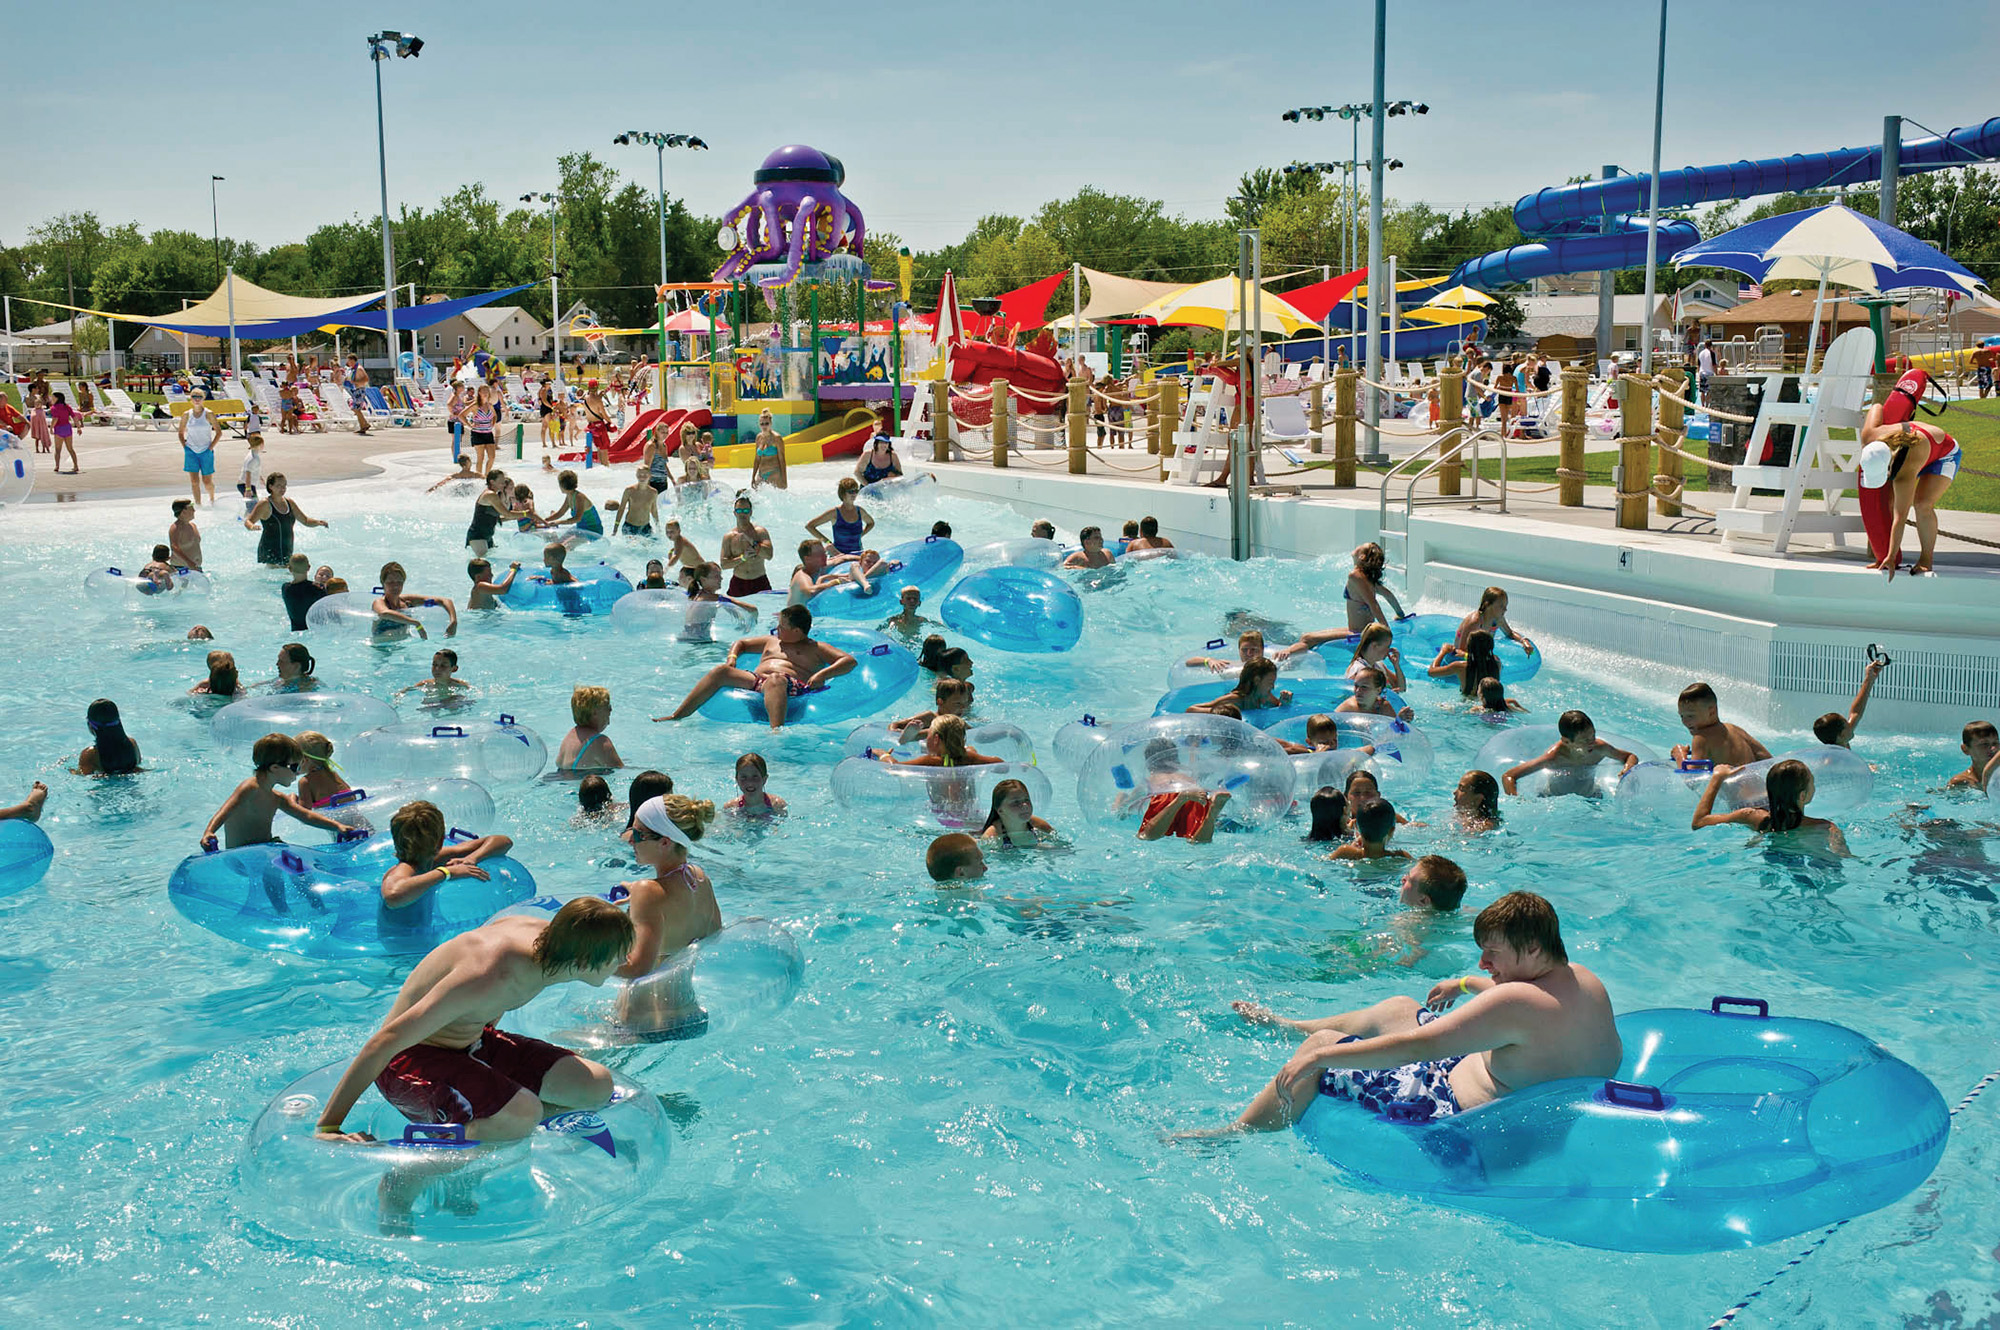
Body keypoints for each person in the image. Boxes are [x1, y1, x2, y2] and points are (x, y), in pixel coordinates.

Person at [307, 897, 633, 1234]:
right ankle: (404, 1180)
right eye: (617, 955)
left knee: (595, 1085)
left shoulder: (543, 939)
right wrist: (329, 1126)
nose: (624, 961)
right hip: (410, 1061)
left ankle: (477, 1147)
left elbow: (492, 1003)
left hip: (472, 1041)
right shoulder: (487, 975)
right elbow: (384, 1042)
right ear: (583, 961)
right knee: (522, 1113)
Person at [1188, 891, 1618, 1137]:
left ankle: (1232, 1135)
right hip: (1529, 1094)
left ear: (1534, 950)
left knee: (1321, 1046)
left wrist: (1321, 1058)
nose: (1484, 964)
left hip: (1452, 1110)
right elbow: (1526, 1006)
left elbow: (1416, 1047)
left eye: (1492, 954)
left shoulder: (1512, 1005)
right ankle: (1287, 1026)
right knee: (1399, 1007)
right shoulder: (1583, 980)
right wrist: (1464, 985)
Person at [654, 604, 858, 730]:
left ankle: (776, 731)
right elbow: (741, 643)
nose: (777, 629)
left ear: (797, 631)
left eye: (782, 627)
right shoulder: (772, 640)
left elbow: (848, 661)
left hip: (791, 687)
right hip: (757, 680)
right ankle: (678, 715)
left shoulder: (816, 648)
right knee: (720, 671)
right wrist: (732, 658)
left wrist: (824, 673)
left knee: (776, 679)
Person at [614, 795, 722, 982]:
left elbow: (637, 968)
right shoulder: (699, 878)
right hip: (687, 1005)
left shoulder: (647, 892)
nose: (631, 840)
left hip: (644, 1009)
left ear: (665, 842)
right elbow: (715, 934)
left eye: (639, 834)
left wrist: (583, 957)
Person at [380, 800, 517, 935]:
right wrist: (447, 872)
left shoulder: (435, 859)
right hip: (403, 953)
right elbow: (393, 896)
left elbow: (503, 841)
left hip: (417, 942)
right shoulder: (404, 869)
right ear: (441, 840)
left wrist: (471, 859)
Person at [200, 732, 356, 850]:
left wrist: (337, 826)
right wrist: (209, 831)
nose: (298, 772)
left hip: (265, 848)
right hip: (242, 854)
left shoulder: (276, 797)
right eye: (295, 767)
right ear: (275, 768)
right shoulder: (249, 788)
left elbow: (306, 815)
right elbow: (225, 811)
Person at [1858, 405, 1961, 577]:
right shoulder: (1870, 436)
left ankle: (1926, 560)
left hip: (1944, 453)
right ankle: (1885, 554)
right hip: (1920, 448)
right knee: (1889, 501)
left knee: (1922, 504)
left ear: (1890, 465)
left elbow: (1900, 517)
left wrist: (1890, 557)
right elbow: (1877, 406)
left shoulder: (1904, 472)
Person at [1692, 759, 1848, 853]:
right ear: (1802, 796)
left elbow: (1699, 822)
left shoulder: (1752, 816)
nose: (1814, 786)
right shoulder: (1825, 828)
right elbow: (1842, 859)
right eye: (1812, 782)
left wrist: (1717, 777)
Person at [1503, 709, 1641, 796]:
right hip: (1555, 797)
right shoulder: (1553, 758)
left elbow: (1630, 756)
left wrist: (1628, 769)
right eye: (1584, 740)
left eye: (1593, 736)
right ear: (1567, 742)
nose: (1592, 742)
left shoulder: (1599, 749)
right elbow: (1509, 776)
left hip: (1590, 796)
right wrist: (1517, 800)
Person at [1130, 739, 1233, 843]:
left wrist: (1122, 804)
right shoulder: (1185, 777)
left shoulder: (1150, 780)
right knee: (1196, 841)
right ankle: (1212, 813)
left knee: (1146, 836)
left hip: (1165, 795)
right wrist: (1194, 747)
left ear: (1149, 762)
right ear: (1176, 759)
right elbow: (1195, 769)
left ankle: (1180, 800)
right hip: (1196, 793)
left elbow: (1126, 807)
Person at [1671, 682, 1771, 767]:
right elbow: (1767, 759)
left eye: (1690, 716)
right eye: (1682, 716)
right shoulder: (1735, 729)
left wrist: (1680, 755)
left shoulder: (1701, 738)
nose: (1685, 722)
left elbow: (1692, 781)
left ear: (1711, 712)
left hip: (1734, 790)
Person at [245, 474, 327, 568]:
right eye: (279, 486)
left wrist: (318, 522)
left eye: (284, 486)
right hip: (270, 551)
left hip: (287, 550)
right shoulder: (265, 504)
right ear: (270, 486)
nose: (282, 489)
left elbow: (305, 520)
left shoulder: (289, 503)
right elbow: (248, 521)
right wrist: (252, 527)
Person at [372, 561, 458, 641]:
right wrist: (416, 623)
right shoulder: (379, 602)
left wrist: (453, 621)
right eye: (390, 582)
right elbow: (384, 613)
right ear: (383, 583)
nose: (395, 586)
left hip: (403, 645)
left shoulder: (407, 601)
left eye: (399, 582)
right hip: (383, 649)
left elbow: (445, 601)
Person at [1814, 654, 1887, 747]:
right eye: (1847, 724)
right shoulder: (1834, 759)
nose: (1850, 724)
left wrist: (1869, 679)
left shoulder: (1840, 740)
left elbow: (1856, 712)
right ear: (1841, 734)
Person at [875, 715, 1002, 767]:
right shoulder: (970, 756)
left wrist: (883, 754)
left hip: (943, 816)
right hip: (970, 811)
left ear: (936, 739)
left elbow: (894, 767)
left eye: (928, 734)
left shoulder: (930, 761)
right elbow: (1000, 763)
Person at [806, 478, 876, 570]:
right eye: (850, 491)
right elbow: (810, 526)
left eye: (856, 491)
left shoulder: (860, 511)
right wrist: (827, 542)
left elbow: (871, 523)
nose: (854, 494)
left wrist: (860, 535)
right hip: (839, 555)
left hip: (857, 554)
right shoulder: (834, 513)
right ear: (843, 493)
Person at [1185, 658, 1291, 716]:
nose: (1272, 687)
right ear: (1257, 680)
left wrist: (1285, 703)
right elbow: (1191, 710)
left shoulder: (1264, 696)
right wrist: (1224, 713)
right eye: (1270, 682)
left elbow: (1278, 706)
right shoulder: (1234, 700)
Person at [556, 685, 624, 773]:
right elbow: (621, 770)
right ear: (595, 712)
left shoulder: (570, 736)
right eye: (607, 706)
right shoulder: (600, 742)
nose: (611, 709)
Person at [719, 492, 776, 596]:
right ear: (734, 513)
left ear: (750, 512)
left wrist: (754, 543)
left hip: (759, 581)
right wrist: (743, 558)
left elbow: (769, 555)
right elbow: (724, 564)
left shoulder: (760, 532)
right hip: (738, 583)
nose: (742, 514)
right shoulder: (729, 537)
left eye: (745, 511)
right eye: (739, 510)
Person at [1342, 542, 1405, 632]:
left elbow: (1373, 604)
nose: (1358, 546)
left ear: (1362, 556)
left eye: (1360, 546)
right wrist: (1400, 614)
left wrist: (1386, 631)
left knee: (1313, 638)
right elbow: (1388, 594)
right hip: (1359, 630)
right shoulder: (1366, 578)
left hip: (1360, 633)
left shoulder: (1355, 576)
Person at [1453, 587, 1535, 656]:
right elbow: (1461, 651)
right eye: (1501, 606)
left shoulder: (1498, 619)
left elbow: (1510, 633)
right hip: (1463, 656)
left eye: (1506, 606)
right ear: (1487, 605)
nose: (1505, 609)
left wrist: (1524, 641)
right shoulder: (1475, 622)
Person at [979, 778, 1055, 848]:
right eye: (1016, 802)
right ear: (1000, 810)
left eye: (1027, 800)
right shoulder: (993, 836)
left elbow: (1061, 846)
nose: (1025, 805)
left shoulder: (1039, 826)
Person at [1427, 629, 1502, 699]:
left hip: (1467, 704)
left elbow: (1431, 672)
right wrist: (1465, 655)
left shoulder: (1460, 666)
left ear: (1469, 647)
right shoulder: (1497, 663)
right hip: (1492, 703)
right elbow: (1481, 659)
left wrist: (1443, 652)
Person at [1329, 797, 1409, 861]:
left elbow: (1326, 862)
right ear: (1391, 831)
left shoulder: (1345, 853)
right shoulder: (1401, 857)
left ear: (1356, 827)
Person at [75, 699, 142, 775]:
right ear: (119, 722)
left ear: (90, 725)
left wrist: (69, 769)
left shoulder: (90, 754)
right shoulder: (132, 743)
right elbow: (137, 765)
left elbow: (83, 776)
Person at [177, 391, 219, 505]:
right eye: (194, 397)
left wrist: (210, 448)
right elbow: (180, 432)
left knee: (207, 482)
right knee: (194, 481)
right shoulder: (186, 414)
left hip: (206, 451)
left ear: (203, 398)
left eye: (199, 397)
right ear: (190, 399)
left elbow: (218, 432)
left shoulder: (209, 413)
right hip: (191, 451)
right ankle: (198, 504)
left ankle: (212, 498)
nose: (197, 399)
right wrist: (185, 447)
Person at [788, 539, 853, 607]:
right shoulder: (802, 576)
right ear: (807, 559)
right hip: (795, 615)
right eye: (819, 554)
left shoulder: (820, 567)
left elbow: (844, 558)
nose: (825, 556)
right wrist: (836, 582)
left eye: (824, 553)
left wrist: (862, 558)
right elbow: (811, 591)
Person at [542, 470, 603, 542]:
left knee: (566, 546)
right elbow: (560, 513)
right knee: (559, 543)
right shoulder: (569, 496)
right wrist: (544, 520)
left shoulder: (579, 497)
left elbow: (577, 519)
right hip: (580, 528)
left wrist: (558, 522)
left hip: (593, 530)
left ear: (562, 486)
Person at [1336, 666, 1413, 722]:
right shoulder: (1349, 708)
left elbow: (1392, 733)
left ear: (1378, 690)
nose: (1358, 691)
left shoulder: (1382, 706)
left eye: (1364, 687)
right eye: (1356, 686)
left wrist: (1401, 719)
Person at [394, 649, 471, 704]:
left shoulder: (460, 684)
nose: (437, 669)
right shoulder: (426, 684)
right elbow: (406, 690)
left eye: (443, 665)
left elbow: (474, 694)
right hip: (433, 705)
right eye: (435, 665)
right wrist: (398, 698)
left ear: (454, 669)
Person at [296, 731, 349, 808]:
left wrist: (291, 801)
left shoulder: (305, 782)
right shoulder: (334, 775)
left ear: (304, 760)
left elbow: (304, 813)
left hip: (333, 820)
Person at [725, 752, 786, 818]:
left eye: (755, 777)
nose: (750, 783)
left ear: (764, 779)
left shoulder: (777, 805)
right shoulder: (731, 807)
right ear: (737, 780)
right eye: (744, 777)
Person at [1948, 720, 1999, 791]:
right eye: (1984, 744)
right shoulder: (1961, 782)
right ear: (1965, 749)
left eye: (1995, 743)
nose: (1993, 748)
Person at [613, 465, 660, 537]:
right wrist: (615, 528)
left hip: (645, 527)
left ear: (650, 475)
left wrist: (658, 527)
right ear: (636, 475)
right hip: (630, 527)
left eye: (645, 475)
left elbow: (654, 510)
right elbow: (621, 509)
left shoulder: (653, 492)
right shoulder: (629, 490)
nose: (642, 477)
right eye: (639, 475)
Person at [465, 386, 500, 476]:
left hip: (488, 433)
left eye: (486, 391)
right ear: (479, 392)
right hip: (477, 434)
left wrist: (492, 424)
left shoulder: (490, 405)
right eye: (483, 391)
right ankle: (479, 476)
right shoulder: (475, 405)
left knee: (492, 457)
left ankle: (486, 475)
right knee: (480, 458)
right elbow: (462, 415)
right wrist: (469, 425)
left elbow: (495, 416)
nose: (485, 393)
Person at [750, 408, 788, 489]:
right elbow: (757, 459)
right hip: (761, 475)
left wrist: (784, 480)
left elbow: (782, 459)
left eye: (766, 423)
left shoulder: (777, 438)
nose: (764, 426)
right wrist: (753, 477)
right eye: (762, 424)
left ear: (771, 423)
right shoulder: (758, 437)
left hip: (774, 473)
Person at [47, 391, 79, 475]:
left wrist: (51, 428)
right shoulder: (67, 406)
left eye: (52, 397)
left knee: (58, 449)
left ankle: (57, 466)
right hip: (67, 428)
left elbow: (55, 419)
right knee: (70, 448)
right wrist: (78, 427)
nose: (51, 398)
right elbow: (74, 417)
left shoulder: (54, 408)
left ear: (57, 398)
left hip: (59, 429)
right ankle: (76, 465)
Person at [640, 421, 676, 494]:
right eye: (662, 432)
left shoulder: (664, 446)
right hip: (653, 482)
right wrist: (647, 485)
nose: (665, 435)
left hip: (663, 481)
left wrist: (672, 479)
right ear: (657, 432)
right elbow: (647, 467)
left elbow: (664, 465)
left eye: (666, 432)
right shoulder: (651, 446)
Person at [168, 500, 204, 572]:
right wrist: (189, 563)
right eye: (191, 508)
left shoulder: (193, 526)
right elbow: (174, 547)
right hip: (182, 567)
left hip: (195, 567)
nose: (194, 511)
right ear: (183, 512)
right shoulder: (175, 528)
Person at [238, 431, 266, 504]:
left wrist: (260, 478)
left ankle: (244, 515)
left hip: (245, 484)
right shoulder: (254, 458)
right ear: (260, 445)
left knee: (252, 507)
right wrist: (248, 489)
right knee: (254, 507)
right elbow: (248, 474)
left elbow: (253, 469)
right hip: (246, 485)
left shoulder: (252, 454)